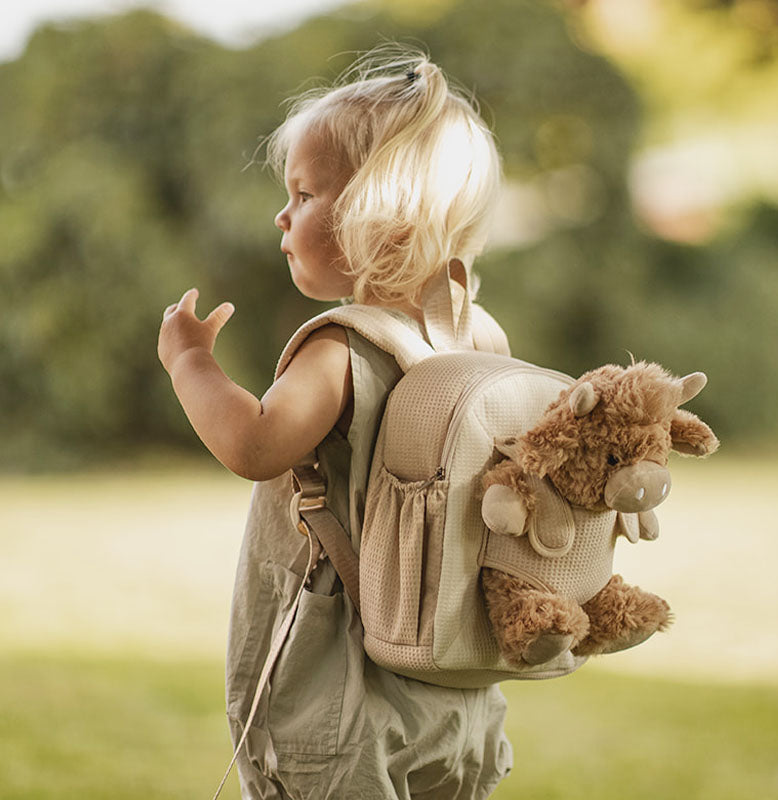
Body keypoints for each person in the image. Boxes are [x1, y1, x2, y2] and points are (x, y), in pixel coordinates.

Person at [158, 45, 513, 800]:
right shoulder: (480, 339)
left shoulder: (342, 346)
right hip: (452, 679)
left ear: (378, 211)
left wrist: (191, 364)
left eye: (304, 193)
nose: (282, 215)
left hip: (342, 684)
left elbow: (254, 443)